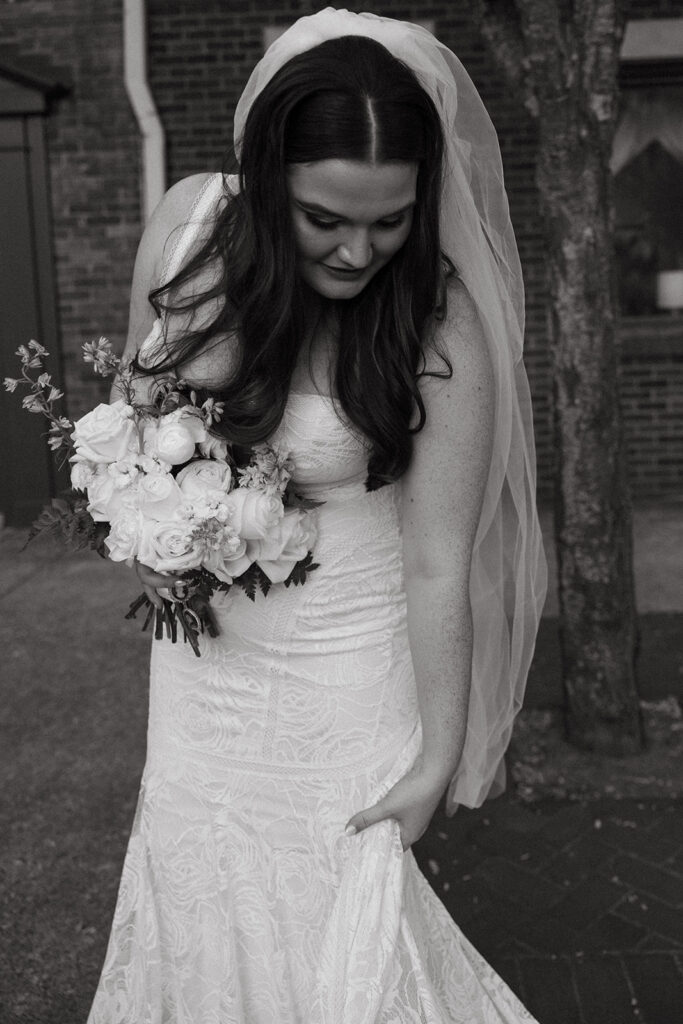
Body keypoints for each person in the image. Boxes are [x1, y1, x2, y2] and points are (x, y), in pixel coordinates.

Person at [88, 8, 546, 1022]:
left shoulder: (437, 320)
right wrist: (143, 535)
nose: (356, 250)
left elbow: (438, 562)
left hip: (346, 667)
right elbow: (133, 416)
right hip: (205, 674)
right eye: (323, 217)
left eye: (388, 220)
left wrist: (435, 757)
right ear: (266, 178)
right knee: (199, 878)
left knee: (343, 925)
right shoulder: (187, 225)